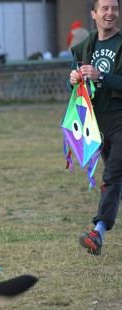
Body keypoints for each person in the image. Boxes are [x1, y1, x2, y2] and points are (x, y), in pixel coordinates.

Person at [69, 0, 122, 256]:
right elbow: (75, 84)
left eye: (115, 8)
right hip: (96, 124)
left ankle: (97, 233)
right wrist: (73, 80)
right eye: (105, 8)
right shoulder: (85, 47)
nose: (110, 13)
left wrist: (101, 76)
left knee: (111, 177)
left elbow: (105, 78)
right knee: (116, 179)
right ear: (93, 14)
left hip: (120, 119)